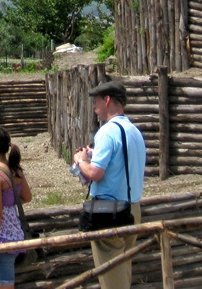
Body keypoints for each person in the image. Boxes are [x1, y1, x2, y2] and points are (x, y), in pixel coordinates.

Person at [71, 80, 146, 289]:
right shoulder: (134, 131)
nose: (94, 107)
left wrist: (80, 160)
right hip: (133, 208)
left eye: (96, 101)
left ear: (107, 100)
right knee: (123, 268)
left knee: (111, 276)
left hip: (110, 212)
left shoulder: (106, 131)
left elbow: (94, 173)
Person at [0, 126, 32, 289]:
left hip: (0, 240)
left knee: (2, 286)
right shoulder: (15, 170)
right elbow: (26, 197)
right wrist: (6, 202)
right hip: (11, 235)